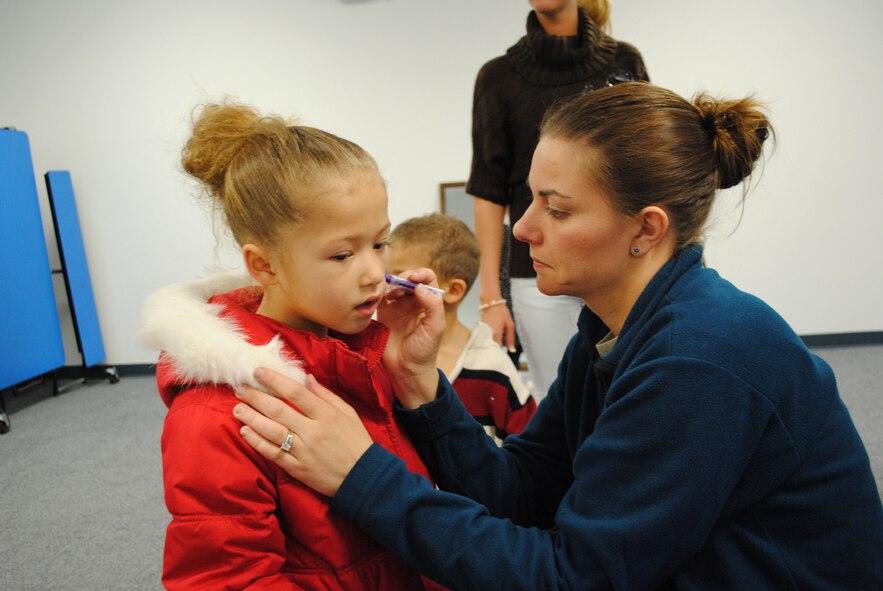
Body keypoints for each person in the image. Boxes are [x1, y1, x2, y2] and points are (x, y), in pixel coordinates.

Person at [232, 82, 883, 590]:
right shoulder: (610, 327)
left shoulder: (701, 355)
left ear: (645, 229)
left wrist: (362, 476)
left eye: (557, 208)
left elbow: (573, 577)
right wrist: (422, 387)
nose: (521, 229)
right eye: (529, 199)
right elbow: (520, 493)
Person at [138, 101, 448, 590]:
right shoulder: (217, 414)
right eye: (343, 254)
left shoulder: (361, 353)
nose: (372, 272)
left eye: (380, 243)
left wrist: (416, 376)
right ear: (263, 267)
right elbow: (227, 580)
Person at [469, 0, 649, 400]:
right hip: (537, 273)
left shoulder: (625, 62)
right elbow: (488, 191)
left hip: (620, 263)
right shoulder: (497, 78)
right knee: (561, 402)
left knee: (635, 391)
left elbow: (647, 166)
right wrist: (490, 298)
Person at [388, 212, 536, 445]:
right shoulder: (382, 360)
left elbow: (531, 455)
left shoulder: (494, 369)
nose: (388, 291)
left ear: (453, 290)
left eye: (401, 282)